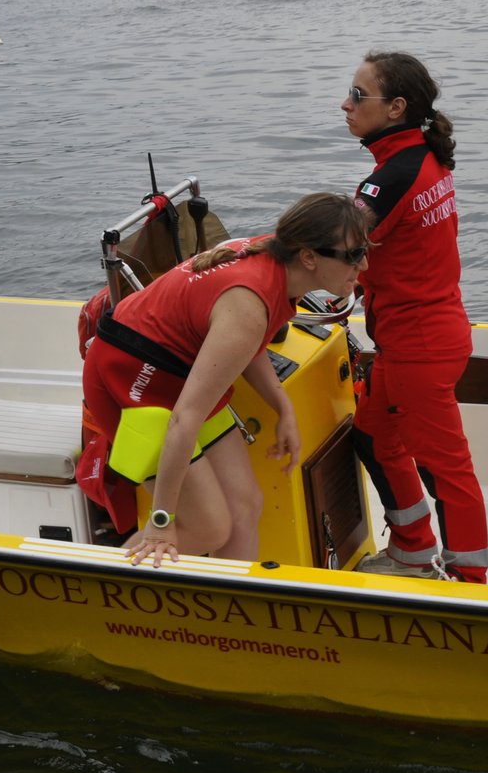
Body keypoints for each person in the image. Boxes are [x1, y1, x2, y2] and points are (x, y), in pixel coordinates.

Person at [81, 193, 374, 567]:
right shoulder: (248, 303)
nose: (362, 264)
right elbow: (184, 418)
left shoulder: (275, 261)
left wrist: (283, 408)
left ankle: (232, 605)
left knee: (244, 508)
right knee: (207, 528)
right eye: (351, 255)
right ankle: (106, 582)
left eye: (364, 250)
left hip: (178, 375)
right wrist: (161, 520)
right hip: (131, 384)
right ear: (309, 257)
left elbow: (244, 346)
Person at [342, 51, 488, 582]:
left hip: (419, 345)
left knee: (446, 471)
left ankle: (469, 584)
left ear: (396, 107)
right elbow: (393, 248)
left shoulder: (390, 178)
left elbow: (330, 245)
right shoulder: (425, 158)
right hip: (432, 330)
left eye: (358, 95)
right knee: (373, 435)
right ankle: (411, 549)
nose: (346, 104)